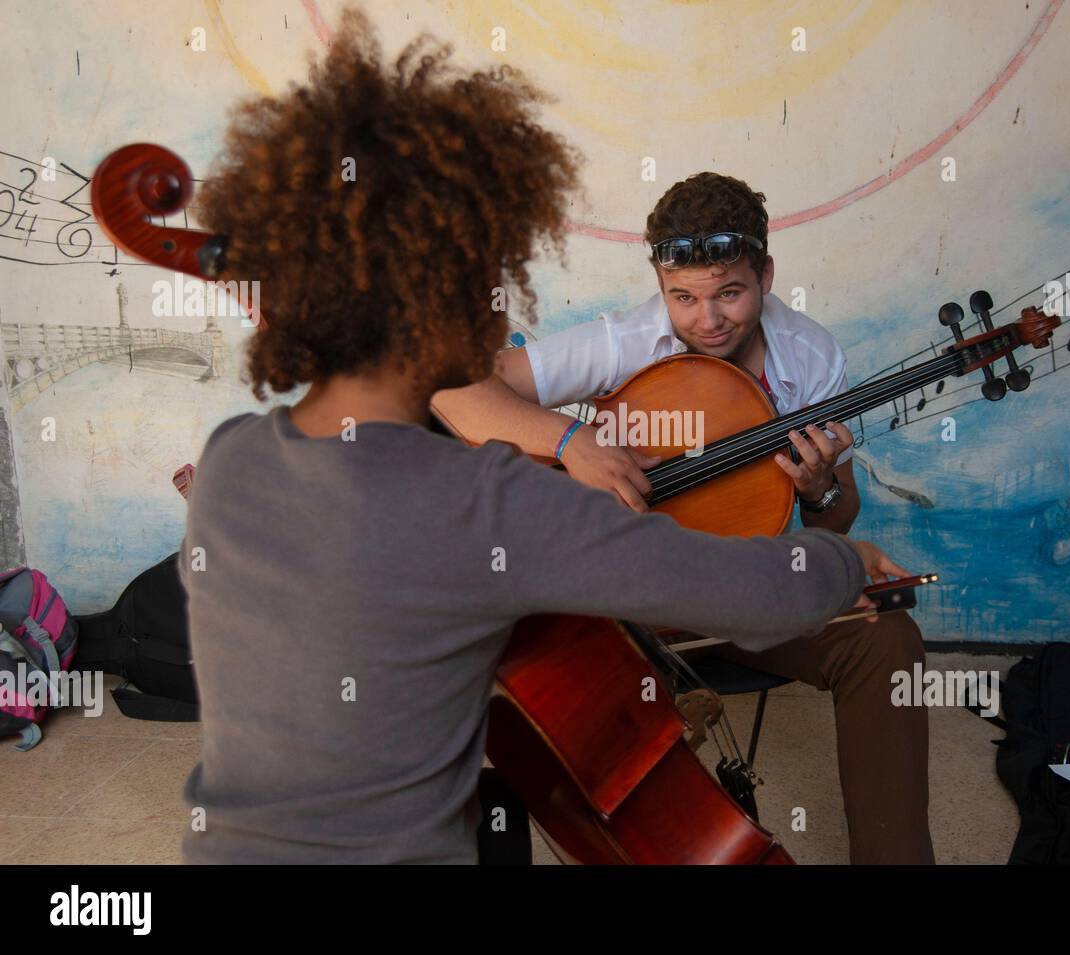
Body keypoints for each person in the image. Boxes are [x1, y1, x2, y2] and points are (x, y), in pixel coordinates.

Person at [178, 9, 898, 865]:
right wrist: (848, 563)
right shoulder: (496, 500)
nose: (503, 314)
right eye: (488, 280)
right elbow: (736, 585)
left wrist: (822, 503)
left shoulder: (226, 463)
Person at [433, 173, 936, 864]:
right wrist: (570, 439)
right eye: (684, 298)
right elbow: (452, 388)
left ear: (765, 273)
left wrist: (819, 491)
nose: (708, 320)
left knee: (886, 638)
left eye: (730, 292)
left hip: (733, 585)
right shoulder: (628, 339)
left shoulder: (810, 357)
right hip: (609, 597)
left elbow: (830, 528)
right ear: (661, 286)